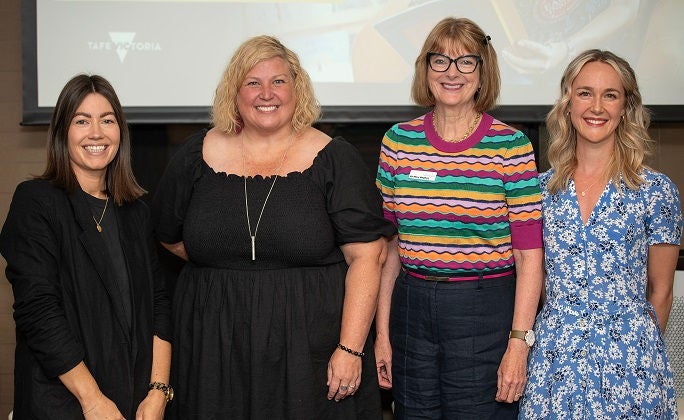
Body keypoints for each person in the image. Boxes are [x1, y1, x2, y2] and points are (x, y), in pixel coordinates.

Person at [152, 35, 396, 419]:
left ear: (297, 90)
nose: (267, 93)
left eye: (278, 81)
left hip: (310, 351)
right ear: (235, 92)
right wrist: (225, 268)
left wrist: (350, 349)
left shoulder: (334, 158)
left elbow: (369, 256)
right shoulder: (194, 155)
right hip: (214, 349)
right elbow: (168, 237)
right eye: (253, 82)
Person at [374, 17, 544, 419]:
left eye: (466, 62)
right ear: (425, 69)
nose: (452, 73)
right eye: (440, 61)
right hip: (411, 310)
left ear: (483, 73)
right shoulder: (397, 142)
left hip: (484, 311)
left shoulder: (511, 146)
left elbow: (529, 256)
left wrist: (519, 343)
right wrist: (382, 334)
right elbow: (389, 249)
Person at [520, 49, 682, 418]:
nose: (597, 106)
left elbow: (662, 291)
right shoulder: (538, 192)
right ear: (567, 103)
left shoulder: (656, 191)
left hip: (632, 364)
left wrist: (636, 354)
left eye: (610, 95)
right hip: (555, 362)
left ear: (625, 107)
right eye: (585, 93)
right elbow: (536, 280)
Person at [0, 74, 172, 419]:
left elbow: (159, 304)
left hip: (133, 403)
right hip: (64, 402)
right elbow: (39, 313)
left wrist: (157, 393)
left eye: (107, 120)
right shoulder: (36, 202)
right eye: (82, 121)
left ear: (120, 132)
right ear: (63, 131)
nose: (96, 133)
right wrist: (92, 401)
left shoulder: (136, 212)